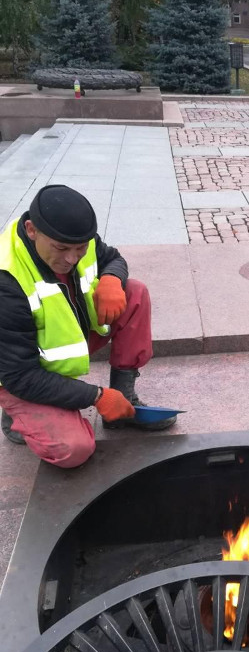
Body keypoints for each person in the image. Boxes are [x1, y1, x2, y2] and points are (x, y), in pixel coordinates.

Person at [0, 184, 176, 469]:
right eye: (61, 249)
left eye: (79, 249)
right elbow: (20, 375)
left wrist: (111, 280)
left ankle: (124, 402)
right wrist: (96, 396)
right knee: (74, 449)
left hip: (69, 334)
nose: (71, 259)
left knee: (134, 292)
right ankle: (18, 415)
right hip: (17, 375)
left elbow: (113, 258)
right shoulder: (6, 281)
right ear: (32, 230)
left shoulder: (78, 238)